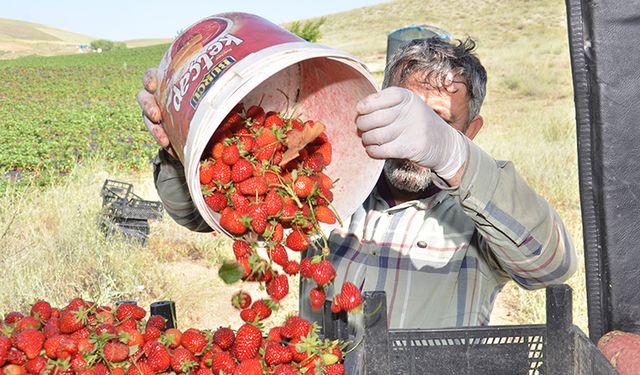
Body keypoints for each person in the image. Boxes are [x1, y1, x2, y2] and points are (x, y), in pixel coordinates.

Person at [137, 37, 577, 329]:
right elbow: (199, 213)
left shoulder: (478, 211)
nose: (411, 141)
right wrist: (179, 151)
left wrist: (451, 154)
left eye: (437, 122)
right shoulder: (327, 184)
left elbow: (552, 264)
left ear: (471, 131)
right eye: (402, 114)